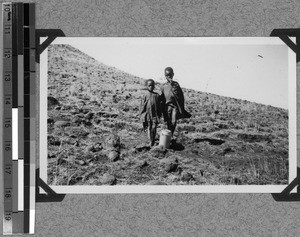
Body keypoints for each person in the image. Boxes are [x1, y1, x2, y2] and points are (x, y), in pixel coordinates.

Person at [160, 67, 191, 137]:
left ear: (173, 74)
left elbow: (180, 96)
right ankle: (168, 137)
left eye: (170, 75)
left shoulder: (176, 85)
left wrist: (182, 107)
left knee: (173, 122)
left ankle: (170, 135)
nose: (169, 76)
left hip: (175, 106)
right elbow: (161, 97)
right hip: (167, 107)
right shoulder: (163, 86)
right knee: (168, 122)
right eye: (167, 75)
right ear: (165, 76)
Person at [139, 79, 162, 146]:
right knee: (149, 127)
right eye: (149, 85)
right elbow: (142, 106)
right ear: (146, 86)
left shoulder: (156, 95)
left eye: (152, 85)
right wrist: (141, 115)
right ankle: (151, 140)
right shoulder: (145, 95)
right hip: (147, 114)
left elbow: (159, 106)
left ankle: (152, 140)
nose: (151, 87)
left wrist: (159, 114)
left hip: (154, 115)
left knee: (154, 127)